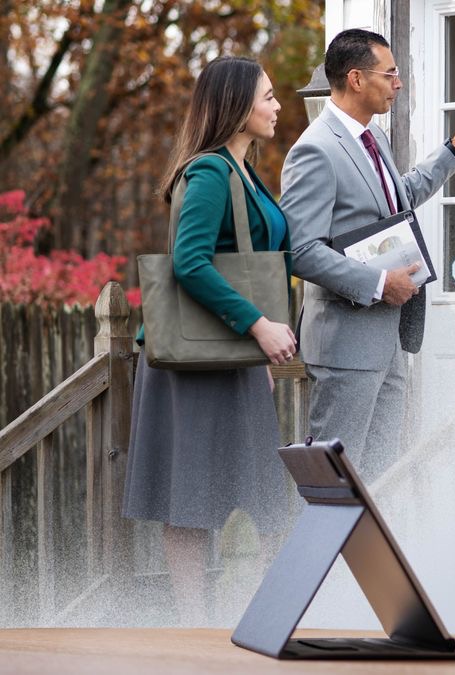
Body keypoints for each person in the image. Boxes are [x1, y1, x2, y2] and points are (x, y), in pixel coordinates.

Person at [123, 56, 297, 625]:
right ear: (238, 106)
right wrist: (259, 326)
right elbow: (189, 262)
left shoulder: (245, 172)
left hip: (232, 354)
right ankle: (193, 630)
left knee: (266, 495)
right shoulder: (207, 172)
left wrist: (254, 347)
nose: (277, 107)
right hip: (192, 363)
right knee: (191, 497)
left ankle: (266, 618)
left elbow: (248, 259)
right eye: (268, 97)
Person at [281, 29, 455, 481]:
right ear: (356, 78)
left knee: (382, 480)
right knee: (337, 480)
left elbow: (401, 196)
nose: (398, 83)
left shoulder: (371, 139)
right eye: (390, 73)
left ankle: (374, 555)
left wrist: (454, 149)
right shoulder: (316, 150)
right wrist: (378, 284)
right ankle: (328, 557)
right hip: (346, 346)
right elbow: (299, 250)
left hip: (388, 341)